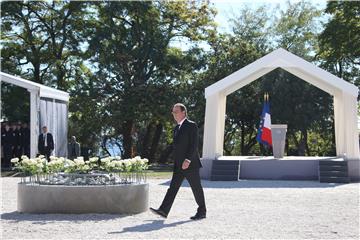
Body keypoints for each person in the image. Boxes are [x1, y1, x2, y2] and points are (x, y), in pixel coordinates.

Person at [150, 103, 206, 220]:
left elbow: (194, 145)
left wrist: (188, 160)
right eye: (173, 112)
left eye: (176, 112)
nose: (173, 114)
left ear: (183, 112)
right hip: (179, 165)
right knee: (173, 187)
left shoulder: (191, 125)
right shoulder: (176, 128)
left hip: (190, 164)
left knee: (196, 188)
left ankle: (202, 211)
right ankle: (164, 210)